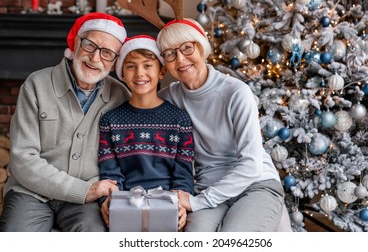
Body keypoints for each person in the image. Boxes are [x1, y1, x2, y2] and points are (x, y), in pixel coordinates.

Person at [0, 12, 131, 232]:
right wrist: (82, 190)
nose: (95, 57)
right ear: (76, 43)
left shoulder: (121, 96)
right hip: (31, 192)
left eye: (107, 53)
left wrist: (100, 191)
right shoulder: (36, 84)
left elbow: (126, 158)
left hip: (88, 198)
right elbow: (23, 159)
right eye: (90, 45)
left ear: (115, 62)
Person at [156, 19, 289, 232]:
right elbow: (136, 107)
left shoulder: (236, 92)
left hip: (255, 184)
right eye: (170, 54)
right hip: (207, 188)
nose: (180, 59)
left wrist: (197, 202)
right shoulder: (169, 97)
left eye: (187, 48)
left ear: (202, 48)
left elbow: (251, 165)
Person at [98, 35, 194, 231]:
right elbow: (110, 172)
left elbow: (183, 174)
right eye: (131, 66)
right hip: (124, 203)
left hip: (167, 202)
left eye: (148, 65)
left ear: (162, 71)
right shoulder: (110, 120)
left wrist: (181, 204)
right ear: (122, 74)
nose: (139, 73)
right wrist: (107, 201)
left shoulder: (179, 120)